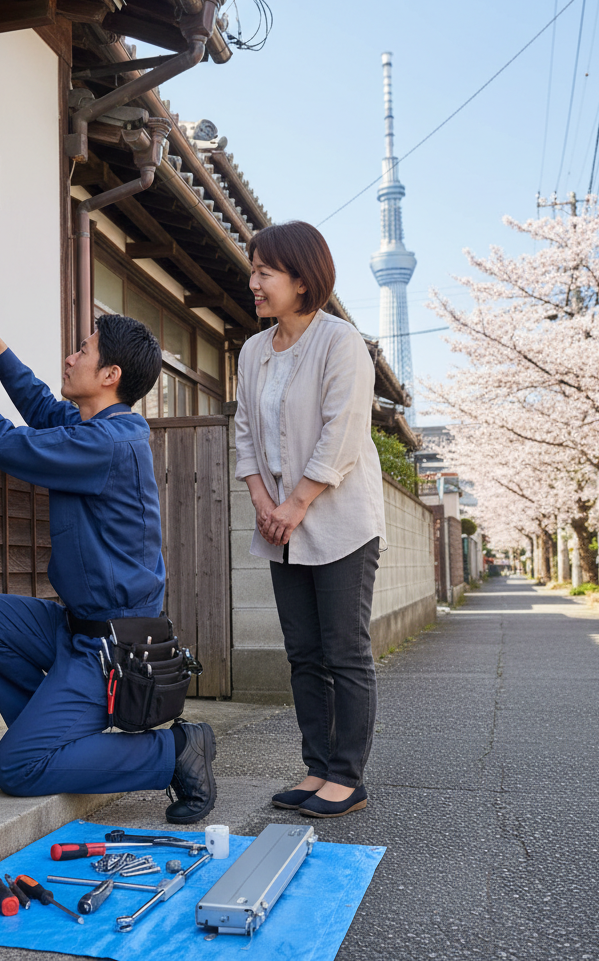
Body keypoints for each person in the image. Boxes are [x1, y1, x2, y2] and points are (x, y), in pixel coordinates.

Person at [0, 308, 217, 825]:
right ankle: (42, 741)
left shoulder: (107, 443)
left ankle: (173, 750)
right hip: (75, 629)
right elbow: (41, 407)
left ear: (110, 376)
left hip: (111, 649)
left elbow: (6, 445)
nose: (70, 357)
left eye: (82, 351)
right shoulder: (96, 426)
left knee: (15, 771)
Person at [234, 221, 386, 818]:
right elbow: (245, 430)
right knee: (302, 653)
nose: (254, 283)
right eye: (253, 271)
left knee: (344, 649)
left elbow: (341, 435)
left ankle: (348, 776)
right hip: (279, 523)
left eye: (264, 272)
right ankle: (316, 767)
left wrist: (295, 504)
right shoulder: (252, 351)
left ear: (302, 280)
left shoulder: (340, 342)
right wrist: (262, 503)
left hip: (340, 520)